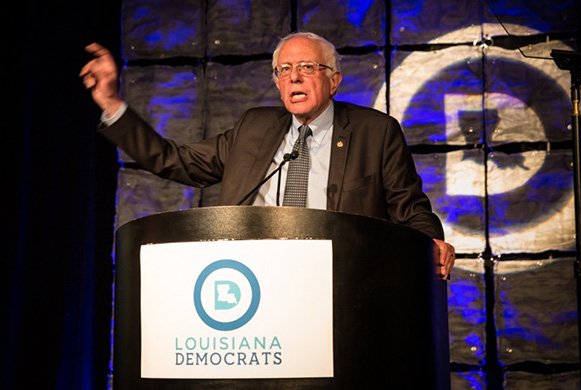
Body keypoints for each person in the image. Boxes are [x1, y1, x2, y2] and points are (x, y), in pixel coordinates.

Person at [80, 31, 455, 279]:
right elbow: (172, 159)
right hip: (250, 279)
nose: (294, 77)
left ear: (334, 80)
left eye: (308, 67)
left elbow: (411, 210)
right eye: (284, 70)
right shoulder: (253, 129)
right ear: (276, 83)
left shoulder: (375, 132)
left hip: (339, 281)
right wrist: (112, 103)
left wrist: (431, 244)